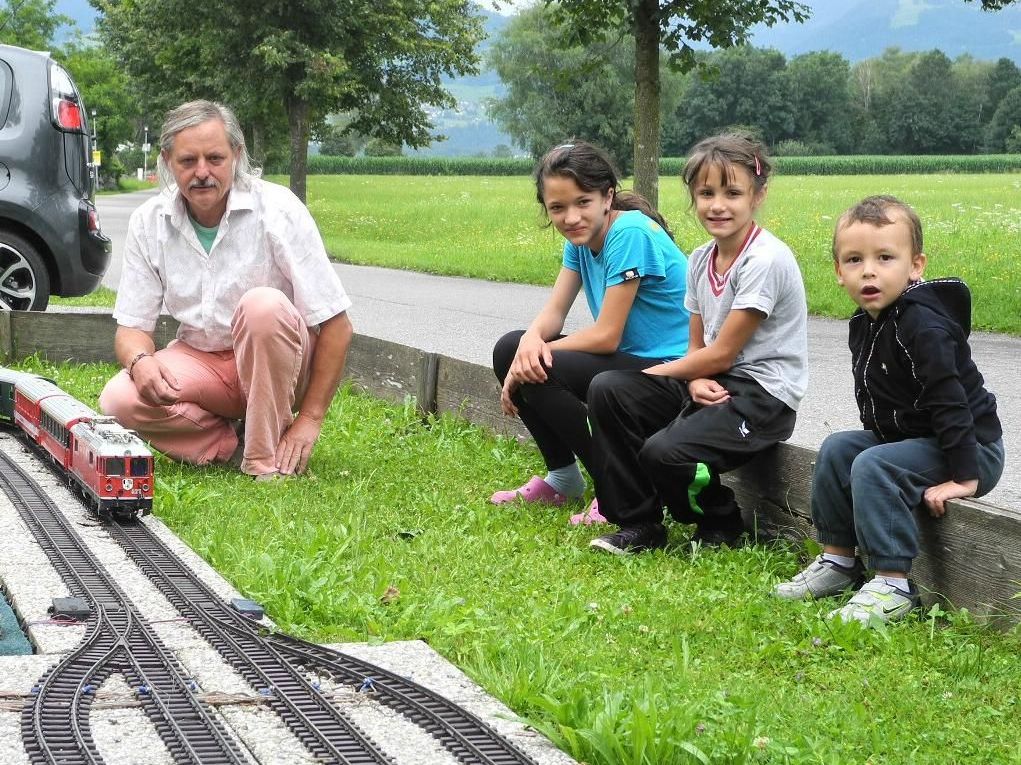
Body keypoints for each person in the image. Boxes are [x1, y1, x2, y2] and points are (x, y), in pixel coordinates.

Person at [773, 195, 1004, 625]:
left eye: (885, 257)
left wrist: (965, 477)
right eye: (855, 260)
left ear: (915, 265)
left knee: (874, 465)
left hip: (970, 447)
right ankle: (839, 561)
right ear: (839, 272)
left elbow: (950, 400)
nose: (869, 270)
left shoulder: (924, 324)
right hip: (917, 440)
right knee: (840, 449)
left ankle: (893, 584)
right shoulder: (866, 321)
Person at [99, 100, 353, 481]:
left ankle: (265, 463)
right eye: (188, 161)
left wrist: (310, 419)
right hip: (203, 360)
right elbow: (132, 329)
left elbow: (337, 325)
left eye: (215, 158)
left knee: (261, 307)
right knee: (119, 399)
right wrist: (140, 361)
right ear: (168, 160)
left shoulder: (278, 208)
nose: (202, 172)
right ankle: (233, 445)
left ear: (237, 155)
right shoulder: (148, 222)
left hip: (278, 364)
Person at [586, 132, 808, 554]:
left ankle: (721, 524)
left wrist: (659, 373)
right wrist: (690, 380)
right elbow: (698, 346)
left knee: (663, 452)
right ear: (693, 196)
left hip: (762, 395)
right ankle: (639, 524)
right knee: (608, 389)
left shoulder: (765, 260)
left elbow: (723, 352)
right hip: (711, 377)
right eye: (706, 193)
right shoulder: (701, 258)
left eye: (732, 192)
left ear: (758, 195)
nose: (717, 205)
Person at [490, 140, 689, 524]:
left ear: (607, 196)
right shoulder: (580, 240)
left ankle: (619, 487)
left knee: (543, 365)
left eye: (583, 202)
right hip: (633, 361)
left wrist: (532, 356)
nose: (571, 217)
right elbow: (554, 313)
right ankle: (563, 479)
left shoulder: (629, 232)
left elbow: (606, 336)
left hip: (672, 369)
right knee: (510, 348)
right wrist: (529, 344)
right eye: (558, 208)